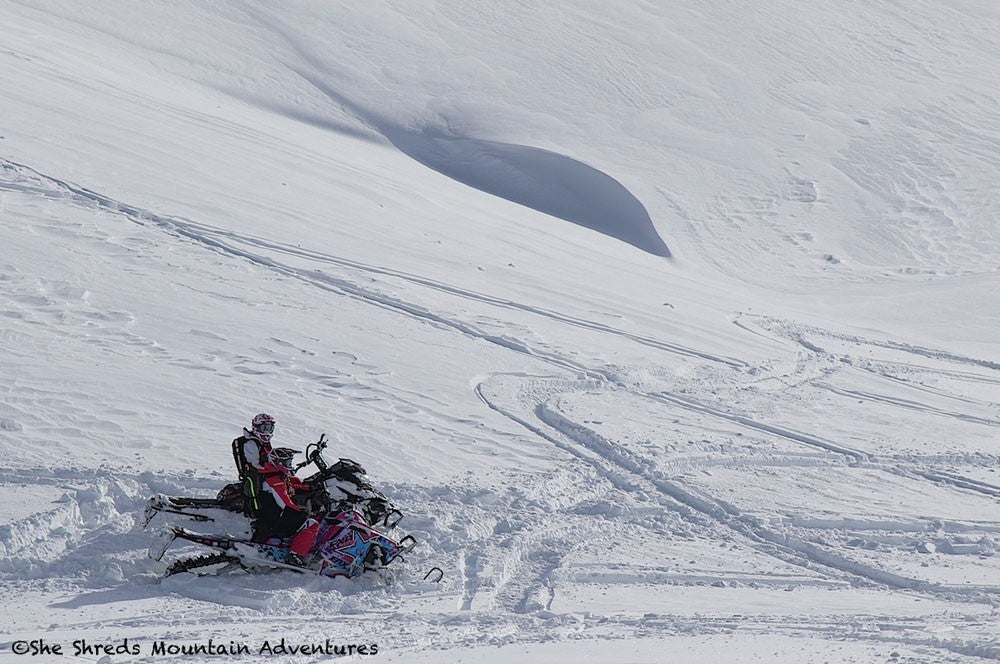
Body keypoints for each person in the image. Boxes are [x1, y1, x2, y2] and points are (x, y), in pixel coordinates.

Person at [254, 447, 319, 567]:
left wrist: (310, 486)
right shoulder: (273, 480)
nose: (289, 465)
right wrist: (301, 512)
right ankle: (296, 555)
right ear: (277, 462)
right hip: (274, 518)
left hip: (274, 514)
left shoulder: (276, 474)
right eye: (287, 462)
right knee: (311, 523)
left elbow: (292, 483)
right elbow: (284, 502)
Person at [231, 413, 276, 516]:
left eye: (270, 428)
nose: (267, 432)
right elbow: (254, 464)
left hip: (264, 473)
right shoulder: (251, 443)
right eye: (264, 428)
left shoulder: (263, 443)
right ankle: (256, 510)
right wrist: (270, 469)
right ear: (256, 428)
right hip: (255, 475)